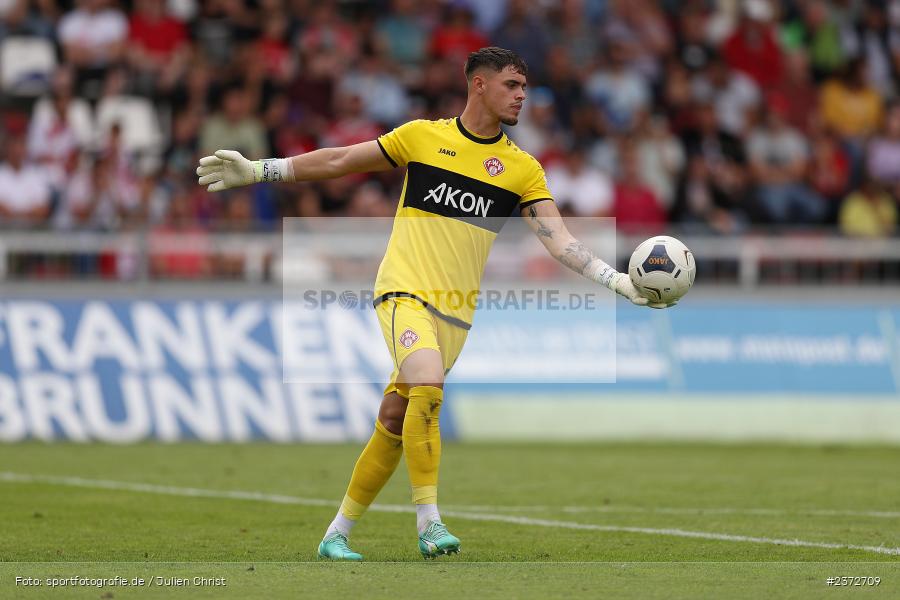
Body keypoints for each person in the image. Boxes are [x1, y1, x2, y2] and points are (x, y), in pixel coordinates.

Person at [196, 47, 672, 562]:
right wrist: (262, 170)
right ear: (479, 85)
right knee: (427, 381)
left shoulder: (521, 169)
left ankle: (337, 533)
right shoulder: (422, 137)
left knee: (397, 415)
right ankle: (430, 522)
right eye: (512, 85)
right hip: (402, 290)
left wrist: (618, 281)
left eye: (524, 88)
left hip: (456, 314)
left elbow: (558, 239)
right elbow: (340, 159)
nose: (521, 96)